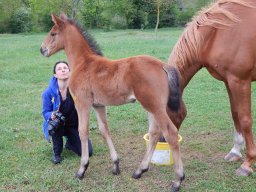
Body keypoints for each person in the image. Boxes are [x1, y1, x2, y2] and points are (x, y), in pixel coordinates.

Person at [42, 61, 93, 164]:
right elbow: (45, 112)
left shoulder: (77, 89)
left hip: (73, 125)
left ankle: (70, 142)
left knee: (89, 152)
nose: (63, 70)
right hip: (58, 125)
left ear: (70, 72)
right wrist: (51, 115)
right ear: (55, 75)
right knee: (56, 123)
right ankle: (57, 154)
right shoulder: (48, 93)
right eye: (59, 69)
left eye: (65, 68)